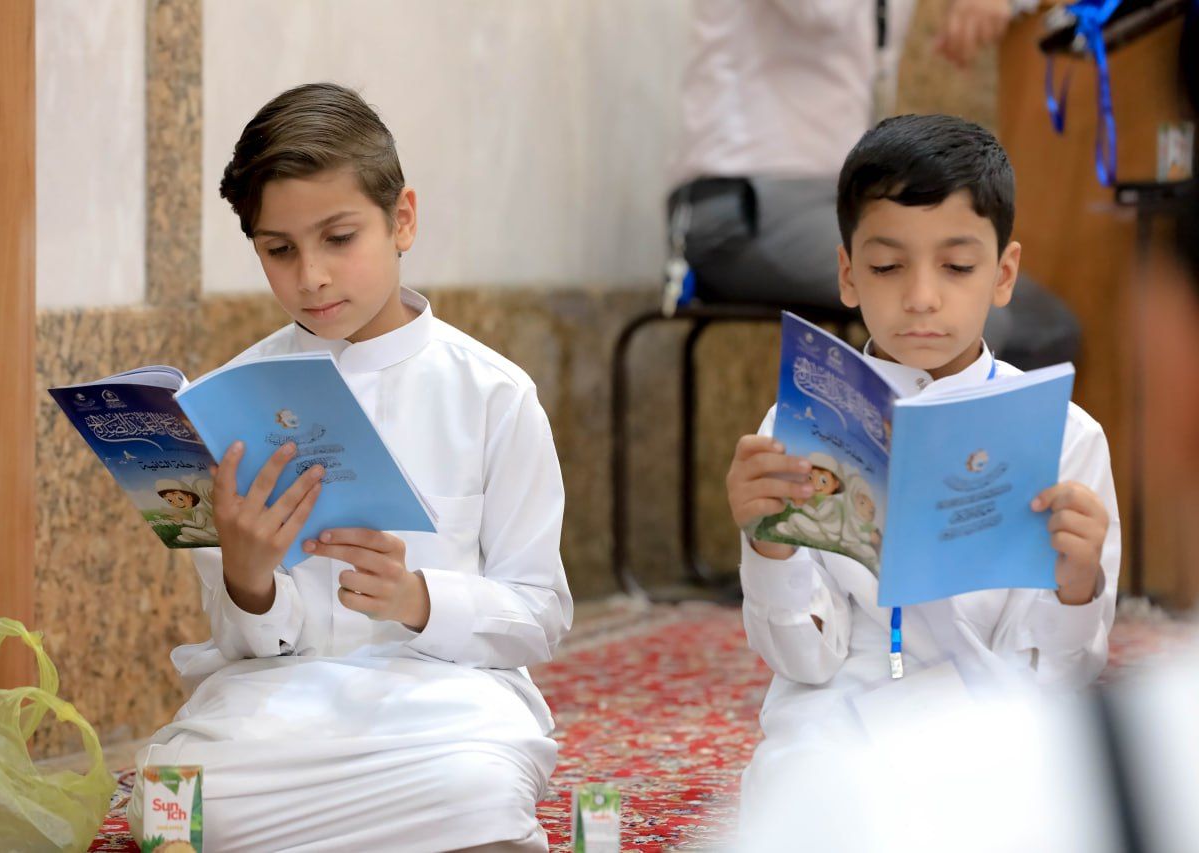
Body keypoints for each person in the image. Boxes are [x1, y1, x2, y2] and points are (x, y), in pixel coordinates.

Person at [128, 82, 572, 852]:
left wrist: (418, 598)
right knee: (177, 803)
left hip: (448, 701)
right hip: (272, 704)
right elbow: (240, 641)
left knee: (476, 792)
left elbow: (540, 614)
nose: (312, 277)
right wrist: (249, 579)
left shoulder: (494, 394)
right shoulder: (223, 404)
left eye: (338, 238)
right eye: (280, 250)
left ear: (402, 220)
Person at [724, 114, 1119, 829]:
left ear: (1003, 275)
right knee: (800, 811)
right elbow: (806, 660)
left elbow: (1057, 676)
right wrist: (768, 545)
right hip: (838, 715)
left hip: (995, 722)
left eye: (957, 267)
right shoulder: (799, 427)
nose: (922, 297)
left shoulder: (1066, 437)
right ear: (848, 273)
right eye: (887, 267)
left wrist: (1077, 585)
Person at [670, 0, 1080, 369]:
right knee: (970, 318)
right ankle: (889, 431)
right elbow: (821, 11)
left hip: (840, 200)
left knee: (1043, 326)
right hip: (740, 205)